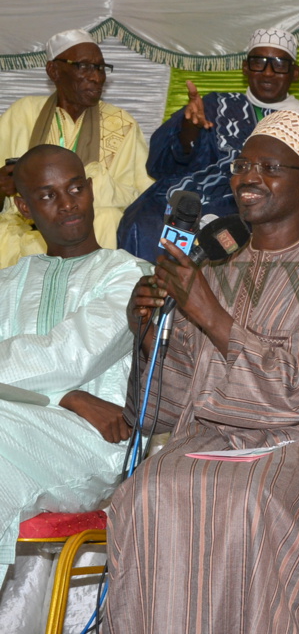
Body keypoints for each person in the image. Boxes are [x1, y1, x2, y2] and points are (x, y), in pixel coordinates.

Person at [105, 111, 299, 633]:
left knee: (250, 498)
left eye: (270, 167)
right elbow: (164, 405)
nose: (248, 177)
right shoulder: (213, 267)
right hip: (209, 433)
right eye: (243, 164)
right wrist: (149, 334)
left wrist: (210, 314)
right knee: (145, 493)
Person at [0, 145, 147, 589]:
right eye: (47, 196)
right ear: (24, 207)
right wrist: (67, 396)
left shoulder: (131, 276)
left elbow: (68, 357)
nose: (68, 204)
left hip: (95, 442)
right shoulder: (9, 281)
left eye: (76, 188)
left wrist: (64, 390)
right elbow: (58, 377)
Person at [118, 28, 299, 262]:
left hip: (258, 200)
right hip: (190, 191)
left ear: (295, 73)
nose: (268, 73)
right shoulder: (216, 104)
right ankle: (152, 290)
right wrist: (190, 129)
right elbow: (162, 164)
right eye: (258, 62)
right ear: (245, 68)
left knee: (222, 232)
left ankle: (190, 291)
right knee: (146, 219)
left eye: (279, 64)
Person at [0, 29, 151, 268]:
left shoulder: (122, 123)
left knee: (108, 220)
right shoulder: (23, 113)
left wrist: (91, 181)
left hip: (92, 228)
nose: (97, 77)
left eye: (101, 68)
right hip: (23, 230)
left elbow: (142, 197)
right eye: (84, 66)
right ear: (54, 71)